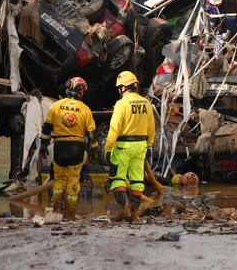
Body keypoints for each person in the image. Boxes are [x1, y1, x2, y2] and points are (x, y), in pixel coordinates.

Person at [38, 76, 97, 221]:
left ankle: (57, 211)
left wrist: (43, 145)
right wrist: (93, 150)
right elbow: (91, 133)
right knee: (73, 181)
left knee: (58, 180)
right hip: (76, 148)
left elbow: (47, 128)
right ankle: (70, 214)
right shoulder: (85, 109)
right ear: (80, 92)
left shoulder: (56, 106)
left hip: (59, 147)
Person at [105, 71, 156, 222]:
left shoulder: (121, 104)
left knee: (117, 179)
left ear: (123, 88)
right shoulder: (146, 103)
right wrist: (149, 146)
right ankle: (135, 215)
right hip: (141, 145)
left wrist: (108, 148)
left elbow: (115, 128)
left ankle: (124, 208)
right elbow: (151, 127)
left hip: (123, 146)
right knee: (137, 181)